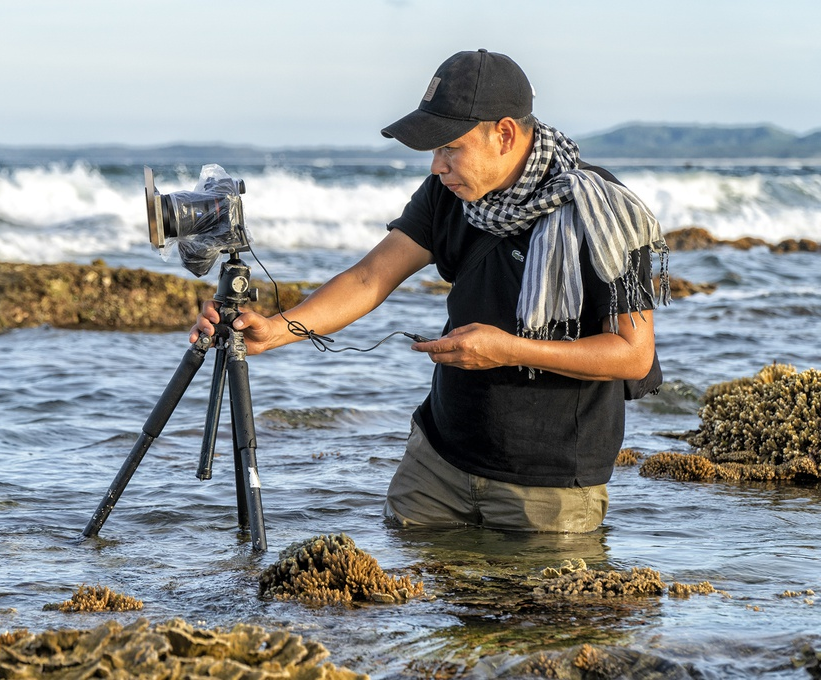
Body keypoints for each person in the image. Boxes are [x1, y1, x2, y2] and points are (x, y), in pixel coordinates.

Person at [191, 49, 668, 533]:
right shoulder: (449, 191)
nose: (437, 165)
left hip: (550, 486)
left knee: (532, 610)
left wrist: (506, 350)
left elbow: (634, 354)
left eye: (450, 147)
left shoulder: (603, 211)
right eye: (433, 150)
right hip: (436, 460)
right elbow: (369, 278)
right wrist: (276, 331)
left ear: (503, 134)